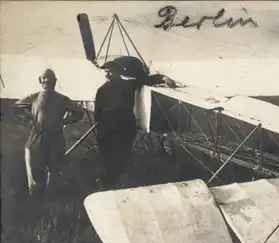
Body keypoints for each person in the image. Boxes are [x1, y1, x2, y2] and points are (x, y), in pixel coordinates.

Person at [94, 59, 178, 189]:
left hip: (124, 129)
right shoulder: (102, 90)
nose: (108, 75)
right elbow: (97, 113)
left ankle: (117, 182)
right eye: (106, 72)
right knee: (107, 158)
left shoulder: (127, 85)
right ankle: (106, 183)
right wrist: (100, 131)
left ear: (118, 72)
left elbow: (147, 80)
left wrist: (163, 78)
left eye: (111, 72)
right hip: (108, 130)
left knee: (122, 157)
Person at [15, 69, 84, 197]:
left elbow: (79, 112)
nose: (46, 81)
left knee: (54, 169)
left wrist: (64, 121)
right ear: (40, 81)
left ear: (55, 81)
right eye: (44, 78)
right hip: (36, 136)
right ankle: (34, 195)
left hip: (55, 137)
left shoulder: (62, 99)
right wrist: (28, 119)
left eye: (50, 78)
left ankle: (50, 199)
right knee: (35, 168)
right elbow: (16, 108)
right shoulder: (34, 97)